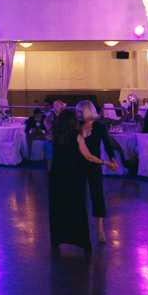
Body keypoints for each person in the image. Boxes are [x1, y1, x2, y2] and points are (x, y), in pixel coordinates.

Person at [47, 108, 104, 252]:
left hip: (56, 175)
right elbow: (88, 156)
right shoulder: (77, 136)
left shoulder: (55, 134)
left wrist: (55, 111)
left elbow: (46, 122)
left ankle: (57, 238)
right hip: (72, 175)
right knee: (77, 207)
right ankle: (81, 241)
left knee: (57, 206)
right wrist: (104, 162)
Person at [78, 101, 121, 245]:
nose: (78, 114)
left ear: (88, 111)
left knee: (97, 195)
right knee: (79, 195)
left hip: (94, 164)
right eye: (77, 112)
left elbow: (107, 144)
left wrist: (112, 158)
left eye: (80, 111)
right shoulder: (77, 126)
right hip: (79, 164)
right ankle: (81, 227)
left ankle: (100, 228)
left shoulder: (99, 127)